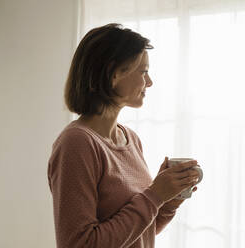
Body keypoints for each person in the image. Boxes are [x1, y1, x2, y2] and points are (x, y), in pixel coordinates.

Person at [47, 23, 201, 248]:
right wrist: (155, 195)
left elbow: (139, 234)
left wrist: (169, 199)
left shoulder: (131, 139)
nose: (149, 82)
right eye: (144, 71)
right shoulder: (77, 143)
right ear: (114, 74)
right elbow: (80, 244)